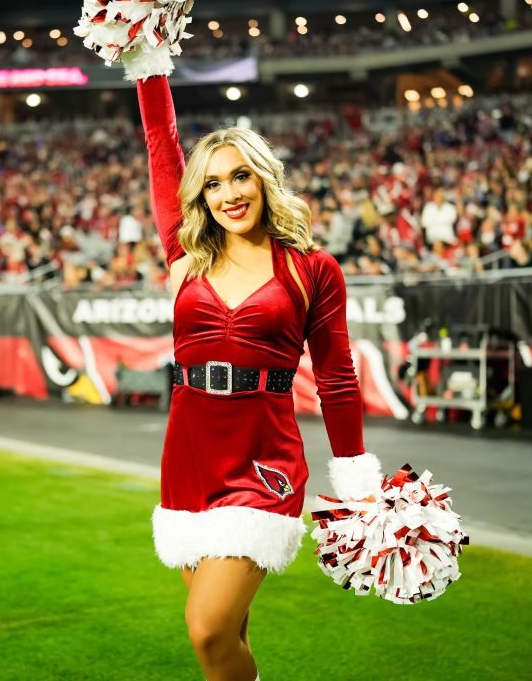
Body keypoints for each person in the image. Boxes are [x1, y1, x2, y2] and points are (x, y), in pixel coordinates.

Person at [137, 75, 373, 681]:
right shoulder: (186, 258)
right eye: (212, 183)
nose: (227, 194)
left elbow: (338, 379)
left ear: (265, 178)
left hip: (263, 460)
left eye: (240, 175)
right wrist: (149, 60)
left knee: (208, 629)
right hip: (188, 453)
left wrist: (355, 481)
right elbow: (161, 145)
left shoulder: (312, 270)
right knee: (228, 637)